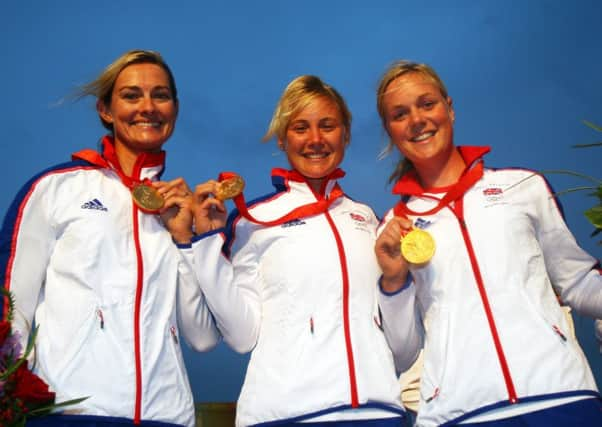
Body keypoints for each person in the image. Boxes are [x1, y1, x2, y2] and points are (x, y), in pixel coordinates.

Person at [373, 60, 602, 426]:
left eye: (427, 104)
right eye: (400, 113)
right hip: (459, 413)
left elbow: (577, 282)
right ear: (390, 129)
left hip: (560, 395)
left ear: (449, 107)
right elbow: (402, 352)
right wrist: (393, 282)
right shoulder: (395, 228)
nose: (417, 119)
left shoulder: (523, 186)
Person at [0, 50, 219, 426]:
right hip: (72, 412)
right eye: (132, 96)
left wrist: (186, 239)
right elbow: (9, 307)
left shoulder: (178, 210)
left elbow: (202, 338)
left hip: (167, 416)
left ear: (175, 110)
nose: (147, 107)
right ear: (105, 110)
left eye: (160, 95)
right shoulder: (56, 189)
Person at [177, 75, 410, 426]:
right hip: (287, 414)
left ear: (345, 134)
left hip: (378, 412)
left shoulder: (368, 221)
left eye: (327, 126)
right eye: (301, 128)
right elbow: (241, 337)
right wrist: (208, 242)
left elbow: (400, 345)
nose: (315, 140)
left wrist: (397, 282)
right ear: (284, 138)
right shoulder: (254, 221)